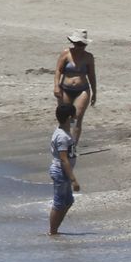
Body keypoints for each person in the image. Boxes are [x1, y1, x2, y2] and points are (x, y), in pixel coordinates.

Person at [53, 29, 96, 143]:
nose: (80, 47)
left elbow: (91, 75)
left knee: (76, 118)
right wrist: (56, 86)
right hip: (65, 89)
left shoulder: (88, 57)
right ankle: (63, 142)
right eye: (77, 44)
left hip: (82, 90)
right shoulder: (66, 53)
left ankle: (73, 145)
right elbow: (58, 70)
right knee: (65, 117)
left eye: (82, 44)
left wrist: (94, 92)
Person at [48, 101, 80, 236]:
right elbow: (63, 158)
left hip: (64, 171)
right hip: (61, 172)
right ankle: (52, 231)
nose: (76, 119)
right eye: (74, 117)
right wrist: (73, 180)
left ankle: (56, 229)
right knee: (59, 202)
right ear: (69, 118)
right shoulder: (62, 136)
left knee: (68, 201)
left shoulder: (65, 132)